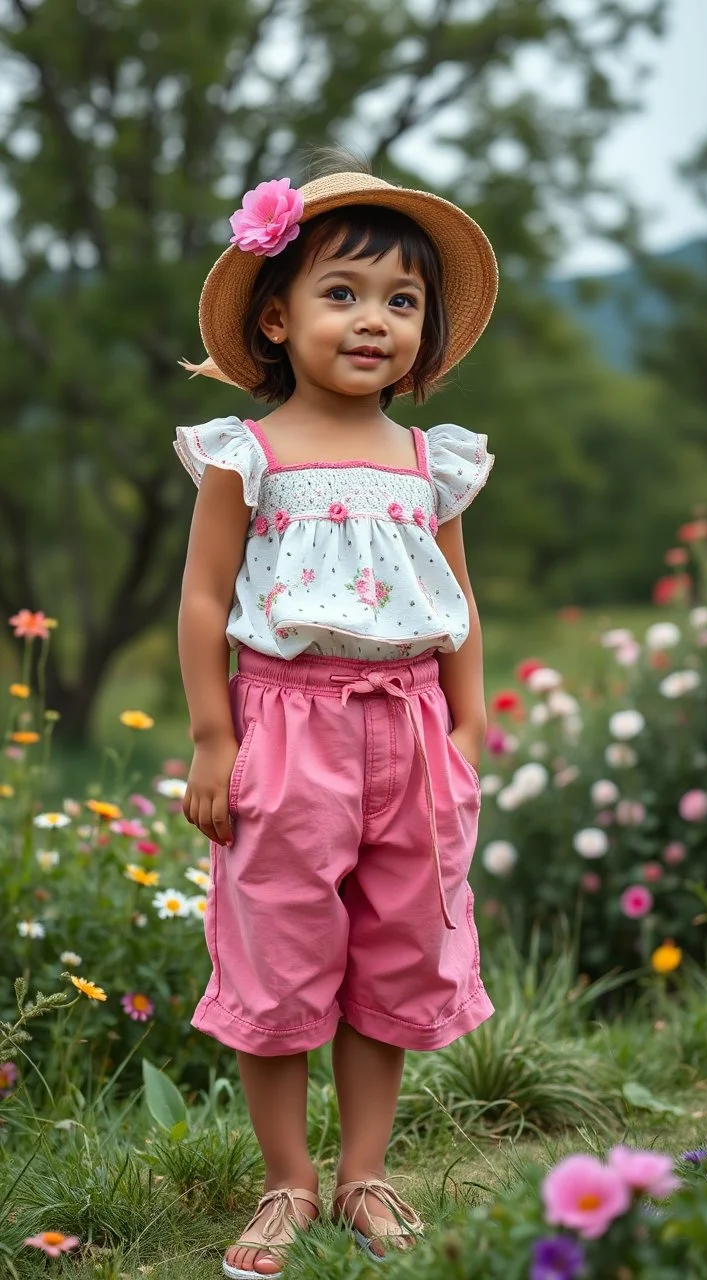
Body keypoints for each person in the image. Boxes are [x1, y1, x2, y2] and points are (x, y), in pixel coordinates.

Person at [174, 156, 499, 1279]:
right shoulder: (247, 457)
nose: (376, 321)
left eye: (402, 302)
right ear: (278, 314)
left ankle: (363, 1171)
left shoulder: (429, 464)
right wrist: (215, 740)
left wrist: (465, 733)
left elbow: (456, 607)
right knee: (281, 955)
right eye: (344, 293)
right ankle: (287, 1179)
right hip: (284, 732)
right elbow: (207, 602)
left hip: (409, 734)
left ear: (427, 330)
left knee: (394, 950)